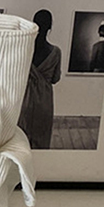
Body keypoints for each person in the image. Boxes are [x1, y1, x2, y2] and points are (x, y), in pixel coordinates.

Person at [18, 9, 61, 149]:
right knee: (42, 137)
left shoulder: (24, 49)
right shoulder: (55, 52)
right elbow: (55, 78)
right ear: (50, 26)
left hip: (25, 98)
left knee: (21, 138)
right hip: (44, 100)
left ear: (34, 24)